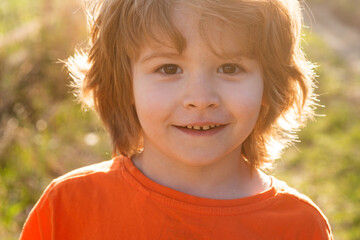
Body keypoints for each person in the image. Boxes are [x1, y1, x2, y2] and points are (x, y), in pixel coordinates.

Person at [20, 0, 333, 239]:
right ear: (125, 83)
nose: (200, 97)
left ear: (269, 83)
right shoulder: (69, 206)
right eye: (169, 69)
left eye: (229, 68)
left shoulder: (300, 225)